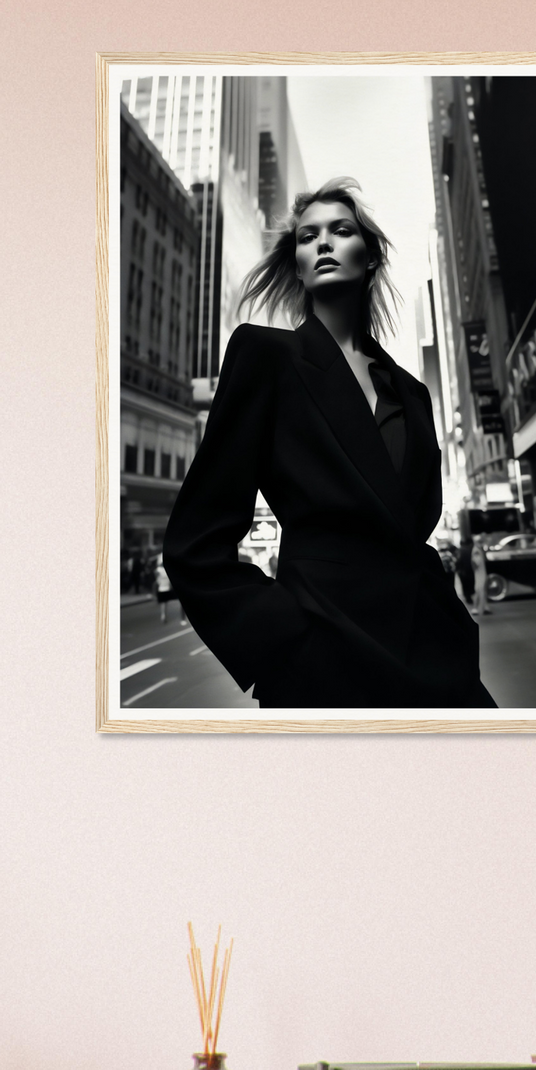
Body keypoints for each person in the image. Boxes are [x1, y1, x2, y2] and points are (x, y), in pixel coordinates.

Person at [163, 179, 496, 708]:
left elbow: (414, 524)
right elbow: (195, 542)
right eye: (307, 236)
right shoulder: (263, 356)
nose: (322, 243)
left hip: (435, 654)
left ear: (370, 258)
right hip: (323, 663)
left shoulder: (412, 392)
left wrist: (451, 620)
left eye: (341, 231)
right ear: (296, 265)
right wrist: (283, 635)